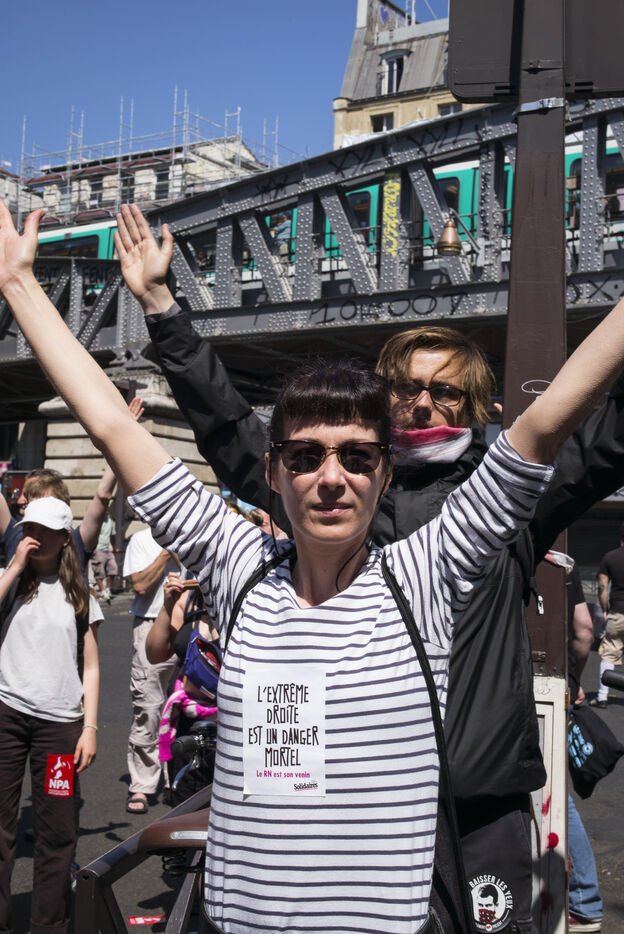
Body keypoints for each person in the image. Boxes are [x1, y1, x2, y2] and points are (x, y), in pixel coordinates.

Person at [2, 201, 624, 934]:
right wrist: (18, 285)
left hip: (463, 829)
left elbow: (548, 424)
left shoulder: (427, 572)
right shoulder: (238, 563)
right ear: (273, 473)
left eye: (357, 457)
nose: (331, 477)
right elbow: (111, 423)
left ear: (383, 473)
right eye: (304, 457)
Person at [0, 495, 99, 934]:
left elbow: (91, 666)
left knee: (56, 832)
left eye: (44, 531)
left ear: (64, 539)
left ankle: (48, 925)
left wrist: (90, 727)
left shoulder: (80, 594)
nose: (34, 537)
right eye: (29, 529)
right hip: (6, 716)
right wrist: (15, 567)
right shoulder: (9, 579)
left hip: (60, 726)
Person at [123, 526, 181, 814]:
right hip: (149, 623)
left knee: (185, 706)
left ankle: (178, 779)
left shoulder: (194, 537)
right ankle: (142, 785)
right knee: (148, 706)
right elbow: (141, 585)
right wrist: (166, 553)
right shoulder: (141, 540)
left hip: (188, 623)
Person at [593, 522, 624, 708]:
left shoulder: (610, 558)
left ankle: (602, 696)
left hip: (617, 612)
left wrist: (605, 609)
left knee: (609, 654)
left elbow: (602, 588)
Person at [90, 501, 118, 602]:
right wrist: (92, 548)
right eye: (105, 509)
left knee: (113, 569)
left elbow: (113, 536)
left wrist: (115, 547)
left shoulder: (110, 521)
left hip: (107, 549)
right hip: (98, 549)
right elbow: (92, 535)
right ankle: (102, 591)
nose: (106, 511)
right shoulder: (96, 521)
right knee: (99, 571)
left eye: (107, 509)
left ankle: (107, 589)